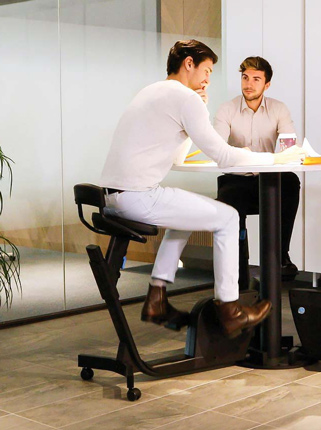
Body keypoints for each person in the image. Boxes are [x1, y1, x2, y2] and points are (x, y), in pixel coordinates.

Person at [99, 40, 305, 338]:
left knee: (186, 215)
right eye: (206, 70)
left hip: (115, 196)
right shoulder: (184, 98)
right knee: (228, 218)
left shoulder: (153, 90)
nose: (208, 78)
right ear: (189, 64)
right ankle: (230, 310)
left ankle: (156, 297)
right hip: (137, 197)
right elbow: (223, 155)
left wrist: (199, 109)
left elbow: (178, 155)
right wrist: (276, 158)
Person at [214, 56, 300, 287]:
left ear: (266, 85)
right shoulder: (226, 109)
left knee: (291, 181)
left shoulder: (279, 109)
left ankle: (280, 257)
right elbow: (218, 149)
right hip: (237, 180)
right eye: (245, 77)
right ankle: (238, 272)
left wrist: (251, 155)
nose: (248, 84)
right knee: (230, 205)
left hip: (269, 179)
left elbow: (288, 148)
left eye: (256, 79)